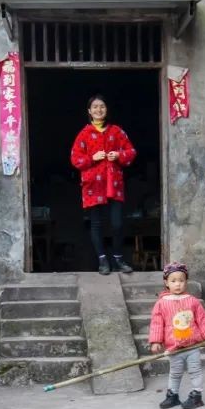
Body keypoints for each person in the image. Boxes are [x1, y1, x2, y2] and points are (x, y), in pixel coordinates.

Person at [69, 95, 137, 275]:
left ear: (107, 110)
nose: (99, 110)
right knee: (96, 223)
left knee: (117, 223)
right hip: (93, 184)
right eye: (95, 107)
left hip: (113, 183)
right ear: (89, 111)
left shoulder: (116, 132)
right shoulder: (84, 134)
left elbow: (131, 151)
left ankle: (117, 258)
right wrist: (92, 158)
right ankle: (102, 261)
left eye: (102, 107)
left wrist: (119, 156)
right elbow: (75, 159)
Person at [149, 261, 205, 409]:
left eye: (181, 280)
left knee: (195, 370)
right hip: (174, 347)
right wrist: (156, 341)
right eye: (173, 281)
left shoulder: (193, 301)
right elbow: (157, 323)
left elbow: (202, 319)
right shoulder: (161, 303)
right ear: (166, 283)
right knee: (175, 373)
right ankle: (173, 396)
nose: (177, 284)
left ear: (186, 282)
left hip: (193, 346)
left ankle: (197, 396)